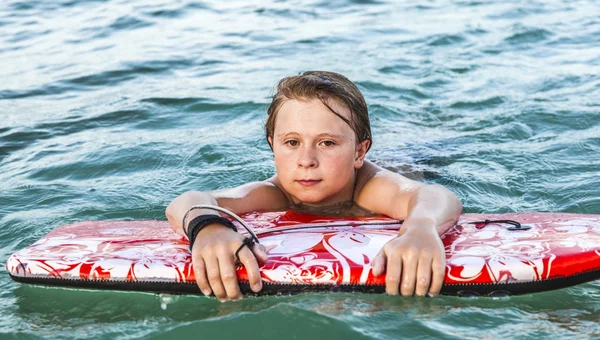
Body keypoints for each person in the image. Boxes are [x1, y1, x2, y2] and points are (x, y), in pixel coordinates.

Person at [166, 71, 462, 302]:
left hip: (415, 164)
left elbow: (435, 195)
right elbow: (188, 200)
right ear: (273, 146)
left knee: (433, 148)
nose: (306, 160)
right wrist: (208, 227)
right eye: (292, 143)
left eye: (327, 143)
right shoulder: (275, 192)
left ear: (359, 152)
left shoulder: (370, 188)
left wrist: (420, 228)